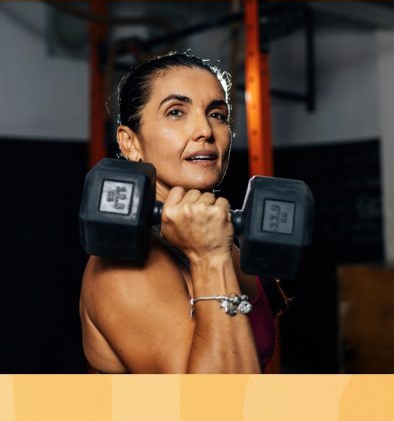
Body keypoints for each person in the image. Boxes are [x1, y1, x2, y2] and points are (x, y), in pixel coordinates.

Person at [79, 52, 275, 373]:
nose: (205, 131)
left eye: (216, 114)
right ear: (130, 143)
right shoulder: (123, 268)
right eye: (175, 112)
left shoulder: (222, 241)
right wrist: (210, 259)